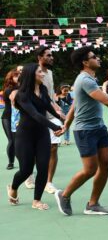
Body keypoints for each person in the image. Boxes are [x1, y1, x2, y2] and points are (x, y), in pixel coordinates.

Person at [55, 47, 108, 216]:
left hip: (99, 128)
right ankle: (64, 194)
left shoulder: (90, 79)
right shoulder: (85, 80)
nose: (98, 59)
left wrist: (66, 123)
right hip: (85, 131)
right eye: (94, 57)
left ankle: (93, 204)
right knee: (90, 169)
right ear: (85, 62)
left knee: (105, 164)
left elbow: (76, 104)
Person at [7, 63, 64, 211]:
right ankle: (13, 187)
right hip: (24, 136)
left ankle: (36, 200)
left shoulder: (43, 89)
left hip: (42, 134)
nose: (43, 74)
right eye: (40, 72)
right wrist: (55, 127)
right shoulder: (21, 94)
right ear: (32, 74)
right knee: (26, 170)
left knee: (43, 167)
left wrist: (62, 119)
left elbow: (47, 107)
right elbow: (35, 115)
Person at [36, 46, 65, 195]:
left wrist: (58, 110)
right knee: (37, 151)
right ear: (40, 58)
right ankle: (30, 176)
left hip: (52, 114)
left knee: (54, 148)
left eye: (51, 55)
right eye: (48, 55)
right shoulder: (34, 73)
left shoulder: (51, 73)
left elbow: (51, 95)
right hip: (37, 116)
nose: (51, 57)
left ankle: (49, 182)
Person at [2, 69, 20, 170]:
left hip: (18, 117)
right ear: (11, 78)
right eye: (16, 76)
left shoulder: (22, 87)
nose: (18, 77)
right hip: (7, 117)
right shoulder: (9, 89)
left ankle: (23, 162)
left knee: (18, 140)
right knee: (12, 140)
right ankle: (11, 162)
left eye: (19, 75)